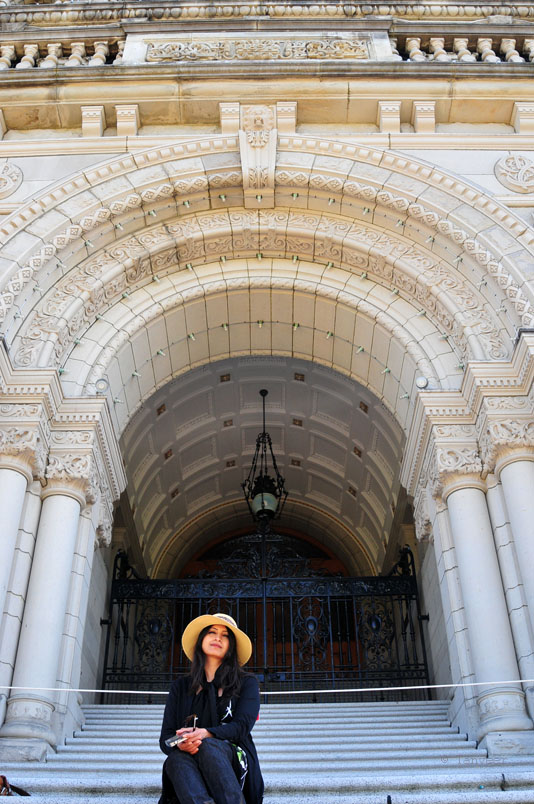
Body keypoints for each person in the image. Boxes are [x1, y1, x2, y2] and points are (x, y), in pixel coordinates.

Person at [159, 612, 264, 804]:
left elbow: (241, 727)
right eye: (212, 632)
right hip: (191, 763)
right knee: (175, 759)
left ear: (232, 646)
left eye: (225, 635)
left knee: (207, 746)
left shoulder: (247, 683)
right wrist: (180, 742)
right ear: (201, 640)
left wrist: (206, 734)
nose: (218, 638)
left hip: (234, 761)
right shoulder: (180, 687)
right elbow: (166, 739)